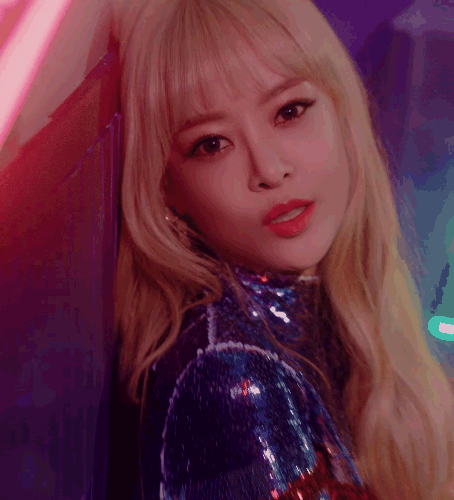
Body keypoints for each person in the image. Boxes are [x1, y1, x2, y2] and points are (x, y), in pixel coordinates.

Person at [112, 0, 454, 499]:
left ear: (341, 110)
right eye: (212, 144)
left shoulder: (333, 303)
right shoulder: (231, 378)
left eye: (289, 111)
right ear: (169, 190)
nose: (269, 169)